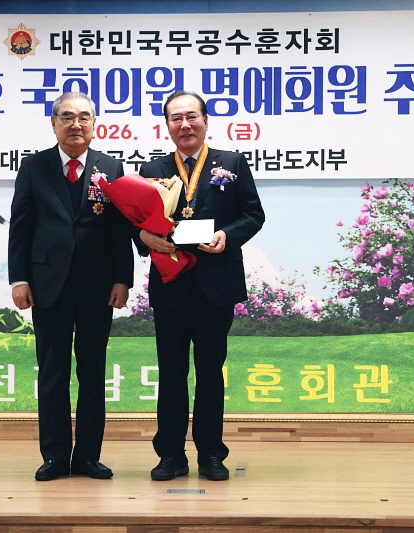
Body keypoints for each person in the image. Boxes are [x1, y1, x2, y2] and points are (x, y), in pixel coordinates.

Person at [137, 90, 265, 481]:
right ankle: (170, 454)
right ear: (167, 125)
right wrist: (143, 237)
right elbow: (136, 220)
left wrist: (227, 235)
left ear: (206, 121)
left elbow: (253, 214)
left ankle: (211, 454)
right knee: (171, 371)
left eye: (191, 116)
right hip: (171, 281)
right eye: (176, 118)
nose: (185, 124)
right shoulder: (152, 168)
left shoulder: (232, 162)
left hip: (215, 283)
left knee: (210, 371)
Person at [8, 91, 134, 481]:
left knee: (93, 373)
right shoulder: (35, 166)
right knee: (53, 372)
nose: (75, 124)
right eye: (67, 117)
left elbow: (120, 229)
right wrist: (19, 279)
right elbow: (21, 226)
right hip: (48, 285)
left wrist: (122, 279)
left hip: (98, 287)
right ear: (54, 124)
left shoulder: (110, 167)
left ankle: (88, 457)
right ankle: (55, 456)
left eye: (84, 117)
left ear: (94, 124)